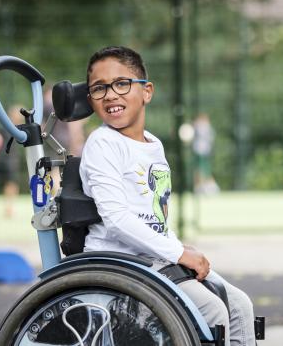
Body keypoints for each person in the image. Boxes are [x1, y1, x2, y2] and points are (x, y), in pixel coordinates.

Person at [79, 46, 256, 346]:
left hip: (153, 259)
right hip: (117, 264)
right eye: (99, 88)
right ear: (91, 99)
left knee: (240, 306)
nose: (110, 95)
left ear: (146, 92)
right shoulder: (102, 144)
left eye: (121, 84)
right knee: (211, 311)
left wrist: (174, 245)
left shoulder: (153, 145)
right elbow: (117, 220)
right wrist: (177, 253)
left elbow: (154, 216)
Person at [42, 88, 87, 195]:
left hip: (51, 140)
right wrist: (75, 141)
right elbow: (73, 125)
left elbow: (41, 126)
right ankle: (58, 196)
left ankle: (53, 196)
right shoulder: (64, 106)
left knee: (52, 171)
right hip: (64, 141)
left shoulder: (46, 106)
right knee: (60, 171)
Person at [192, 112, 220, 194]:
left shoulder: (201, 126)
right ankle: (200, 186)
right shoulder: (206, 127)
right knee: (200, 169)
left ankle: (207, 186)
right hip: (201, 151)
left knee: (203, 169)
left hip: (201, 150)